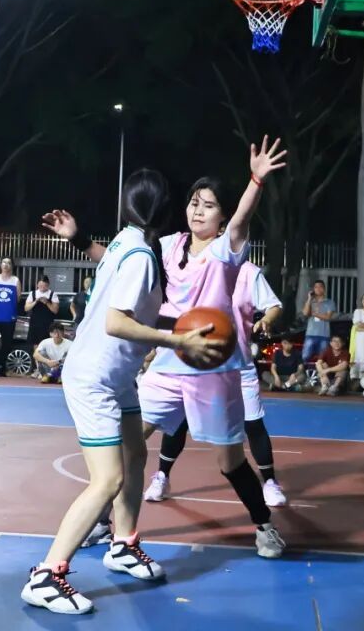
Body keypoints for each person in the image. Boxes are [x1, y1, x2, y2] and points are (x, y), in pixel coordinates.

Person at [25, 168, 221, 615]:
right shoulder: (140, 255)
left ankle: (124, 544)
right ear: (164, 208)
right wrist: (177, 340)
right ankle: (46, 575)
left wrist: (182, 326)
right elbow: (117, 321)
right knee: (108, 479)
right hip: (94, 377)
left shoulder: (127, 241)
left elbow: (127, 299)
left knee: (135, 456)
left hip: (117, 376)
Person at [136, 136, 288, 561]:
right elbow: (127, 259)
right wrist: (79, 240)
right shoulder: (168, 245)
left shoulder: (227, 250)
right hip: (168, 362)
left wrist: (256, 181)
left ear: (221, 217)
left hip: (213, 368)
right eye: (193, 202)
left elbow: (242, 220)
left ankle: (264, 527)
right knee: (129, 443)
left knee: (229, 462)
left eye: (208, 205)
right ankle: (104, 521)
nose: (198, 210)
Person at [139, 259, 288, 512]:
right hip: (193, 362)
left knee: (253, 425)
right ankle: (162, 476)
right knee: (177, 423)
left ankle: (270, 482)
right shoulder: (191, 267)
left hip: (236, 364)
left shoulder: (248, 272)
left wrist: (267, 320)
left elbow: (274, 306)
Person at [301, 280, 336, 361]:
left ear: (324, 289)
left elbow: (328, 317)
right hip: (310, 334)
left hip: (324, 335)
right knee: (305, 357)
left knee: (322, 358)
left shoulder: (329, 302)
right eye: (316, 287)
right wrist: (309, 299)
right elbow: (305, 313)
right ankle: (303, 369)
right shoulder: (310, 302)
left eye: (320, 287)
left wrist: (314, 314)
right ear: (313, 289)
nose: (318, 289)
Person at [25, 275, 60, 347]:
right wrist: (35, 301)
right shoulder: (32, 293)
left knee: (47, 343)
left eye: (45, 286)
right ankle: (36, 354)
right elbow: (26, 308)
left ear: (48, 285)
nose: (42, 288)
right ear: (37, 285)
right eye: (40, 286)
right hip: (35, 322)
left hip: (48, 323)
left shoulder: (53, 294)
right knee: (35, 344)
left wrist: (47, 302)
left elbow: (55, 311)